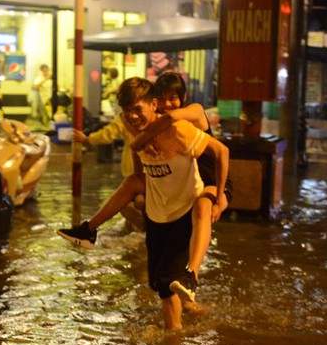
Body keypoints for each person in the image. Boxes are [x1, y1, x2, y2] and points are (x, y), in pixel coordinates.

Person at [58, 72, 232, 310]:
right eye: (163, 98)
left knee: (203, 209)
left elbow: (173, 119)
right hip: (169, 184)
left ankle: (192, 275)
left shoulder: (188, 115)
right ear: (156, 100)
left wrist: (142, 138)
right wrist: (139, 148)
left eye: (173, 97)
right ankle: (89, 230)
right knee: (132, 184)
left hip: (208, 177)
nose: (168, 103)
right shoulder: (139, 119)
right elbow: (126, 124)